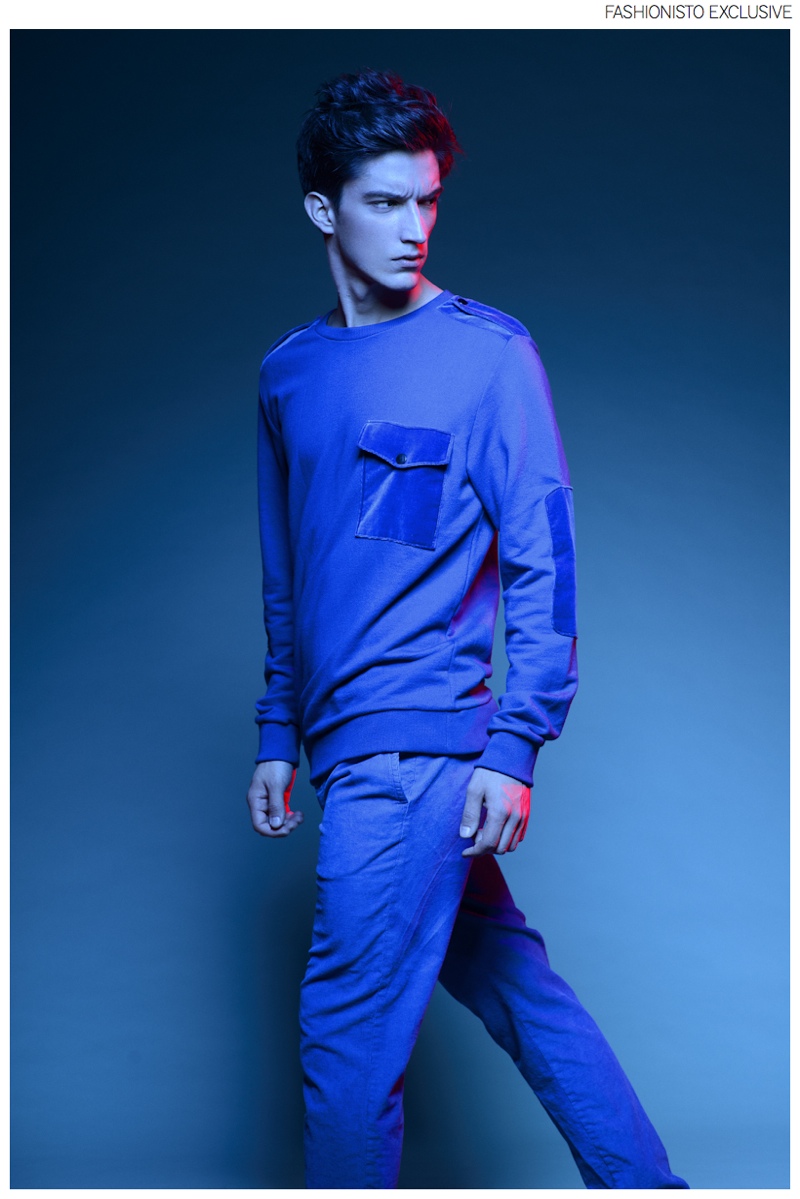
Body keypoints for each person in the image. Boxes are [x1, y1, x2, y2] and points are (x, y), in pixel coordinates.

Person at [245, 67, 688, 1190]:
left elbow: (544, 559)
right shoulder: (288, 375)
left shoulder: (487, 355)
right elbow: (289, 576)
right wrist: (275, 730)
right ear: (323, 208)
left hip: (420, 754)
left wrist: (515, 742)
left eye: (427, 200)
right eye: (384, 201)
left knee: (346, 1038)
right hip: (347, 749)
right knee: (518, 990)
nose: (414, 227)